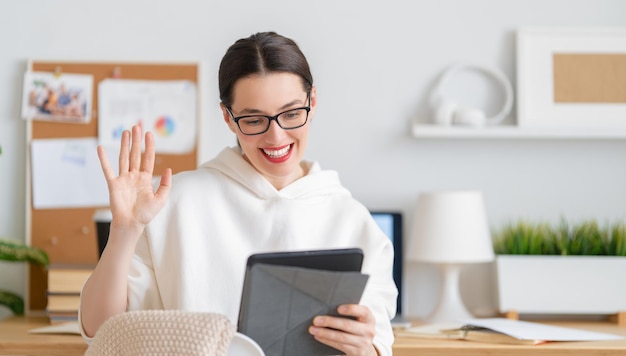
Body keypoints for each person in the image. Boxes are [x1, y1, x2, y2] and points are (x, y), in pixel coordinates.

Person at [79, 31, 397, 356]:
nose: (276, 136)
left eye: (290, 114)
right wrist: (124, 231)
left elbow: (377, 345)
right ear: (228, 118)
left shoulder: (351, 218)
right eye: (254, 119)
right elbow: (99, 330)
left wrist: (363, 347)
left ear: (312, 102)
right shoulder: (174, 201)